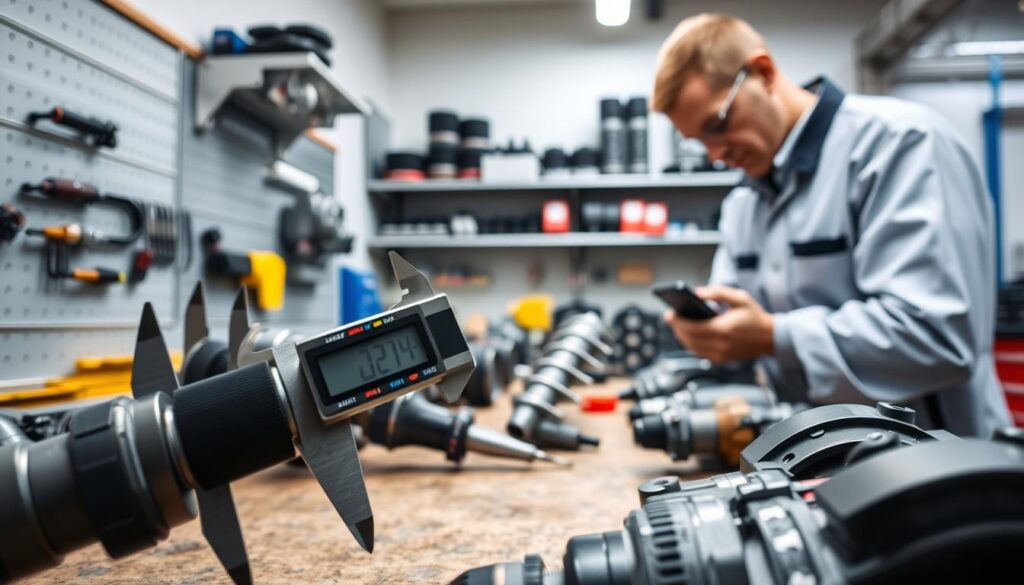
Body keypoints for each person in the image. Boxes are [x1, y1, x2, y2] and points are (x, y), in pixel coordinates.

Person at [652, 13, 1011, 436]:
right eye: (699, 141)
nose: (715, 153)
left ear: (763, 72)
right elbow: (742, 335)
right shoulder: (742, 204)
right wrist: (716, 337)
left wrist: (774, 336)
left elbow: (937, 337)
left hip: (941, 464)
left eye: (718, 124)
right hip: (826, 464)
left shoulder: (899, 145)